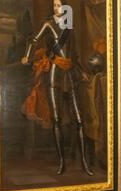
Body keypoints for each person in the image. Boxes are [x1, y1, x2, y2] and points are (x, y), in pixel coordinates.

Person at [21, 0, 93, 176]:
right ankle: (62, 163)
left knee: (79, 120)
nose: (56, 8)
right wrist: (27, 57)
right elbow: (34, 40)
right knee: (57, 119)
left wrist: (81, 71)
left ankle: (84, 162)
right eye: (54, 6)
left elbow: (73, 54)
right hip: (54, 73)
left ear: (65, 7)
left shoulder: (70, 28)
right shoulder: (48, 24)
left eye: (59, 5)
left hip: (70, 73)